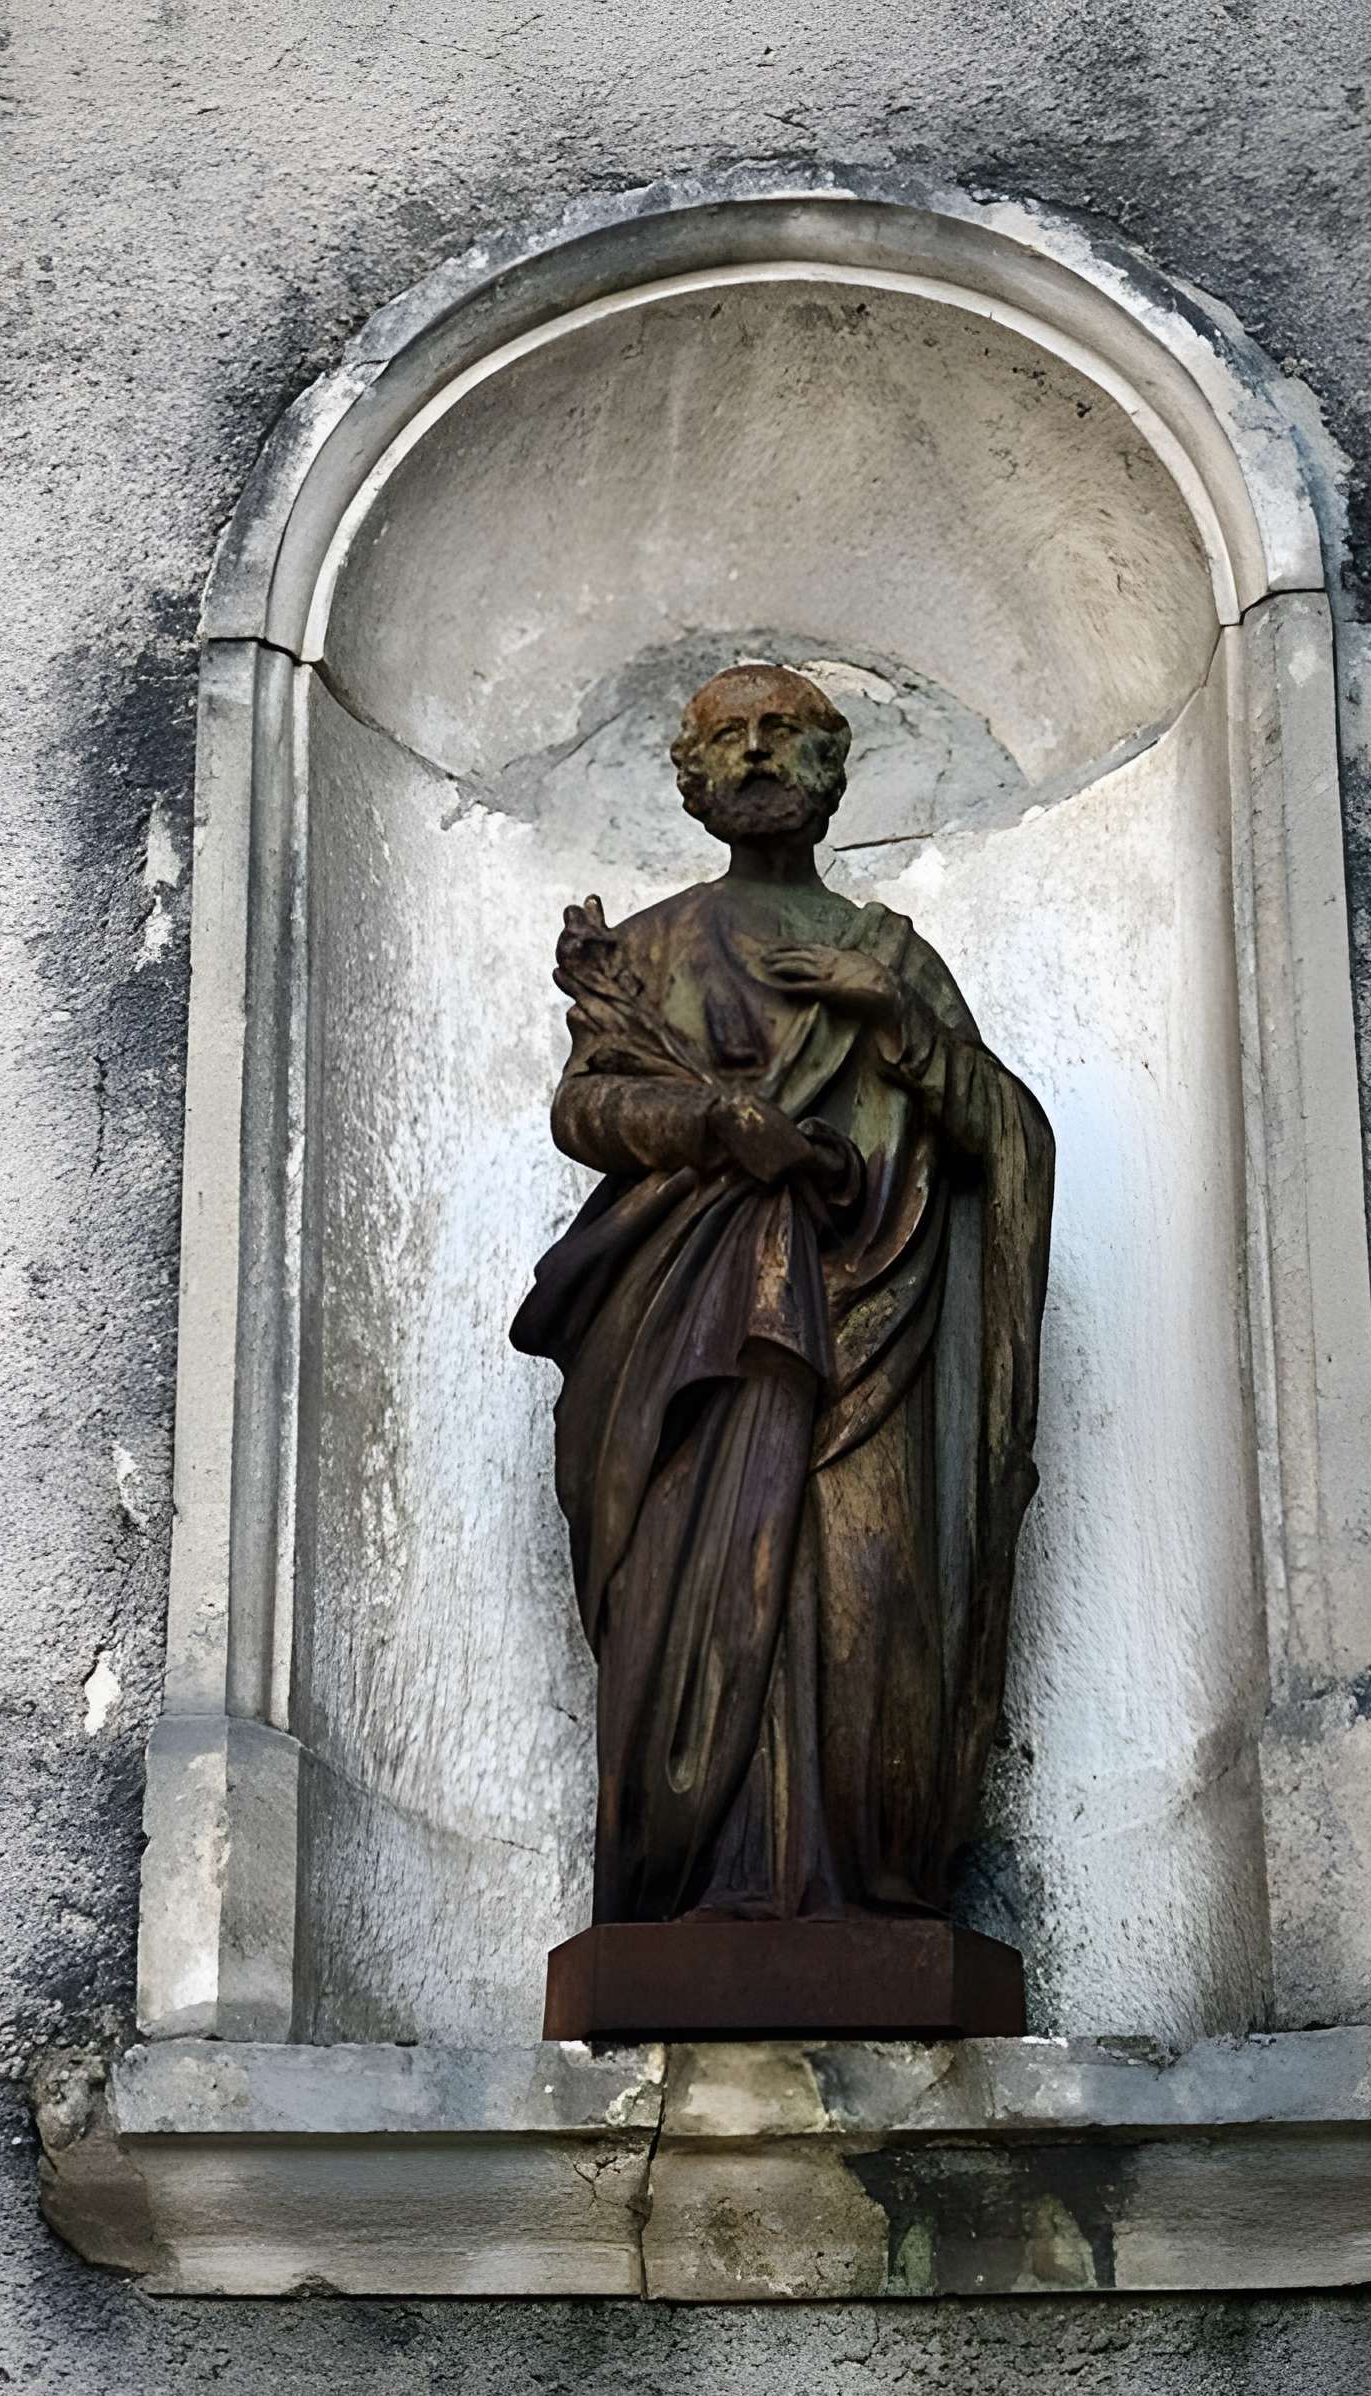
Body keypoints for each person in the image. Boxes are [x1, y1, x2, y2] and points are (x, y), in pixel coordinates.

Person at [511, 663, 1053, 1928]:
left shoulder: (888, 956)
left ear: (830, 766)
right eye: (728, 738)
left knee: (870, 1593)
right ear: (691, 776)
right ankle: (698, 1883)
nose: (755, 754)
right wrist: (712, 1122)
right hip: (680, 1328)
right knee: (685, 1585)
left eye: (783, 733)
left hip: (871, 1328)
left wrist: (901, 1028)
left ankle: (866, 1885)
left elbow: (1005, 1141)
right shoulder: (643, 949)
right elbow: (585, 1108)